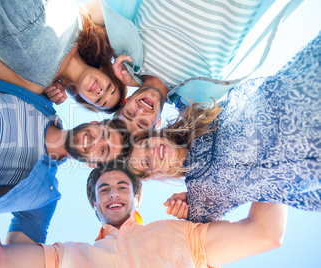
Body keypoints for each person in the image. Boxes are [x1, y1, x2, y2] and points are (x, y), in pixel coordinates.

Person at [0, 43, 130, 242]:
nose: (96, 141)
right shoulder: (36, 93)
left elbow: (13, 258)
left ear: (92, 164)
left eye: (103, 150)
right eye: (103, 133)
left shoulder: (41, 195)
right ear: (94, 122)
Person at [127, 32, 321, 223]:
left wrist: (129, 79)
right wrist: (189, 211)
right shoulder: (201, 195)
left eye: (145, 144)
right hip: (309, 145)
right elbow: (206, 235)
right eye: (145, 161)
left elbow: (165, 80)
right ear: (154, 174)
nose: (151, 151)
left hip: (301, 83)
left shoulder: (193, 115)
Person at [0, 162, 287, 268]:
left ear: (136, 198)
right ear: (95, 205)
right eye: (103, 190)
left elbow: (264, 233)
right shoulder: (66, 256)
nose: (113, 193)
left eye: (121, 187)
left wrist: (273, 159)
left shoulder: (182, 233)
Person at [103, 0, 302, 133]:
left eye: (129, 113)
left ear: (125, 100)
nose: (139, 112)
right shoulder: (199, 96)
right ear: (158, 123)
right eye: (144, 123)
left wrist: (119, 69)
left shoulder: (127, 52)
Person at [0, 0, 127, 113]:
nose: (101, 92)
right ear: (105, 71)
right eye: (109, 88)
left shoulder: (36, 84)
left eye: (100, 100)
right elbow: (129, 8)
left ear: (84, 99)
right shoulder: (86, 23)